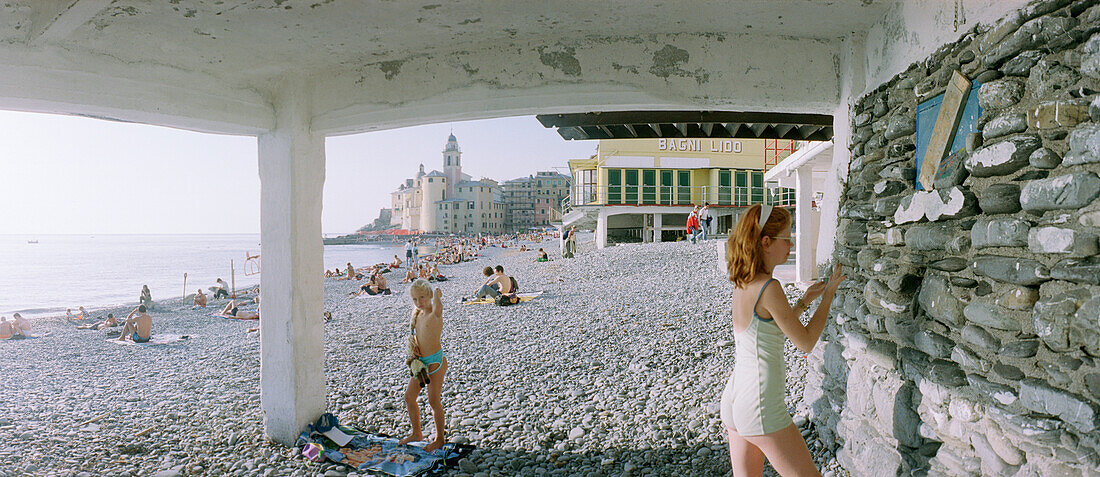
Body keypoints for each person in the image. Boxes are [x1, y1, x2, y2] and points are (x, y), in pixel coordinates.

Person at [720, 204, 845, 477]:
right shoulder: (770, 287)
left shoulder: (744, 282)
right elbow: (806, 342)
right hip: (760, 405)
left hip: (735, 397)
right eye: (786, 238)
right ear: (766, 242)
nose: (790, 245)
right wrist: (828, 298)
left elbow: (768, 328)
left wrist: (803, 302)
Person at [400, 279, 448, 453]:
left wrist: (437, 295)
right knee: (409, 397)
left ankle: (439, 438)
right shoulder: (418, 314)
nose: (419, 302)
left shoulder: (434, 313)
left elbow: (438, 308)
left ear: (429, 296)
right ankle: (417, 433)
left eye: (422, 297)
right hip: (421, 365)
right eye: (415, 299)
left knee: (433, 400)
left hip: (436, 362)